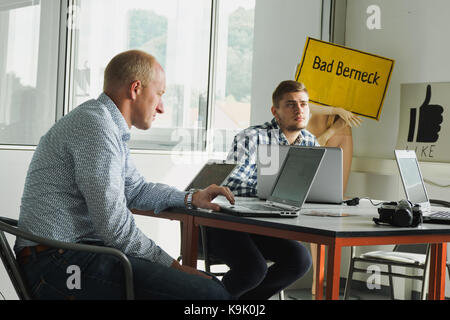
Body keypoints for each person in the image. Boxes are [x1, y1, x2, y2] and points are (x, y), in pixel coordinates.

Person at [14, 50, 235, 300]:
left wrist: (191, 199)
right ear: (136, 89)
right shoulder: (95, 127)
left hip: (70, 255)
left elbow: (136, 189)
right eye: (160, 94)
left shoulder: (105, 124)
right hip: (58, 264)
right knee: (210, 294)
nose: (161, 108)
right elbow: (114, 227)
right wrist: (175, 266)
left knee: (207, 289)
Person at [202, 80, 317, 300]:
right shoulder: (253, 137)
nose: (299, 109)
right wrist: (276, 191)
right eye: (291, 104)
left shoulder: (311, 142)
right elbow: (231, 184)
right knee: (253, 269)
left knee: (300, 259)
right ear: (276, 111)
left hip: (265, 227)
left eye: (303, 104)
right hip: (226, 224)